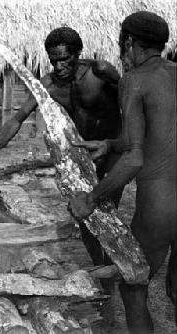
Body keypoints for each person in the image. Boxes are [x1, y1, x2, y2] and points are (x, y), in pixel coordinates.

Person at [0, 27, 124, 276]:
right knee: (84, 214)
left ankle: (119, 264)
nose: (59, 66)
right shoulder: (47, 85)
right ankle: (101, 269)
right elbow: (15, 121)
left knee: (108, 209)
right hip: (83, 155)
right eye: (54, 60)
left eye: (65, 59)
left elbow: (130, 100)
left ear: (78, 53)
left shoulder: (100, 72)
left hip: (113, 150)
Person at [68, 11, 176, 333]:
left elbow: (135, 158)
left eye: (120, 44)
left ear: (129, 43)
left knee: (133, 285)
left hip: (162, 202)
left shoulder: (134, 80)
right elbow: (157, 135)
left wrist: (90, 198)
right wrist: (111, 144)